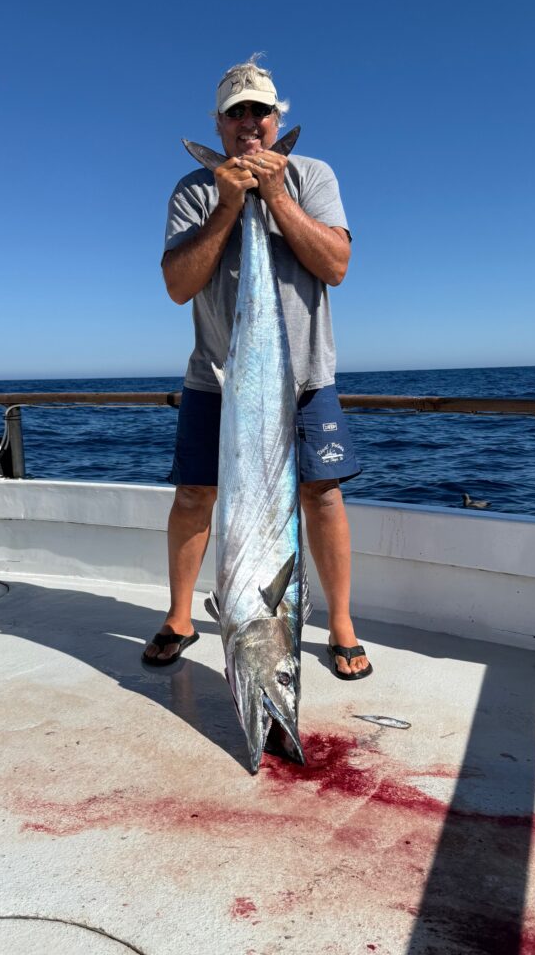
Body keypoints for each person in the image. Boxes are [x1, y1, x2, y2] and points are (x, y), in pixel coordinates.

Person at [143, 55, 372, 681]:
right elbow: (177, 285)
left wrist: (272, 195)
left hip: (304, 378)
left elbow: (336, 265)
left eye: (260, 111)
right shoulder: (194, 190)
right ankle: (180, 616)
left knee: (322, 494)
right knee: (195, 494)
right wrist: (227, 204)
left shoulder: (312, 175)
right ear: (218, 125)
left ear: (277, 121)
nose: (250, 123)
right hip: (216, 378)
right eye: (236, 112)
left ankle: (342, 625)